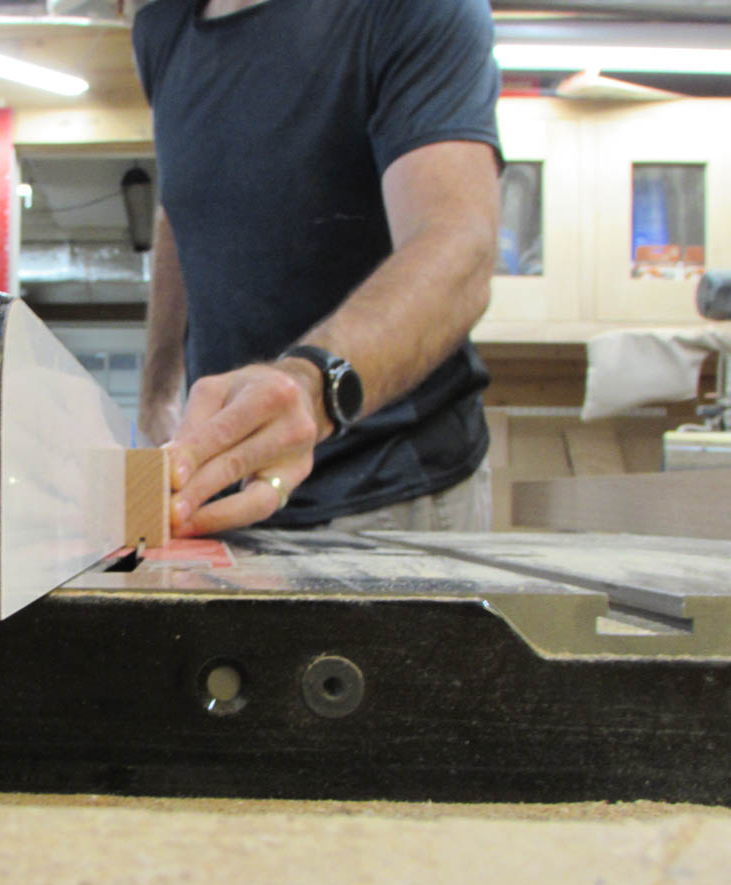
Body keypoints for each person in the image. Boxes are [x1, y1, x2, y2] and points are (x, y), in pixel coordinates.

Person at [132, 0, 503, 538]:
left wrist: (309, 386)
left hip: (387, 488)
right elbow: (181, 208)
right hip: (228, 488)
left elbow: (458, 245)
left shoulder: (413, 10)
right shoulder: (161, 27)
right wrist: (158, 392)